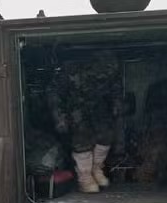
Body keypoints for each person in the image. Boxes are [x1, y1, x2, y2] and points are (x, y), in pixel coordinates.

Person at [50, 51, 121, 193]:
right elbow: (53, 93)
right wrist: (59, 117)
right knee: (82, 141)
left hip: (98, 110)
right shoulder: (72, 71)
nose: (105, 76)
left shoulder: (109, 73)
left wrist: (116, 104)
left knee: (106, 136)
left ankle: (96, 169)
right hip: (76, 111)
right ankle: (85, 178)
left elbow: (115, 89)